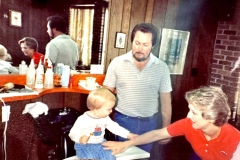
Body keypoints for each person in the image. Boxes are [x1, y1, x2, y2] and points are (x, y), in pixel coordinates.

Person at [103, 86, 240, 160]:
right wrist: (126, 144)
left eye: (194, 112)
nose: (188, 115)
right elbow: (157, 134)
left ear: (211, 118)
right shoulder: (188, 124)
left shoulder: (236, 140)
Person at [103, 23, 172, 153]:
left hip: (150, 124)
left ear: (153, 46)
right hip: (123, 122)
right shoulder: (117, 63)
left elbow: (166, 102)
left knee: (143, 157)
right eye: (137, 43)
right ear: (132, 41)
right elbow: (105, 96)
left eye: (145, 45)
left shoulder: (162, 68)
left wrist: (166, 129)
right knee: (123, 157)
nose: (140, 48)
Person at [68, 88, 137, 160]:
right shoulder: (83, 119)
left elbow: (114, 127)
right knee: (90, 158)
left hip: (100, 144)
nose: (111, 111)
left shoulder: (105, 118)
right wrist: (80, 139)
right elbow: (72, 133)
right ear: (97, 107)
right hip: (85, 146)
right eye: (109, 109)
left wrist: (127, 134)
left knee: (110, 157)